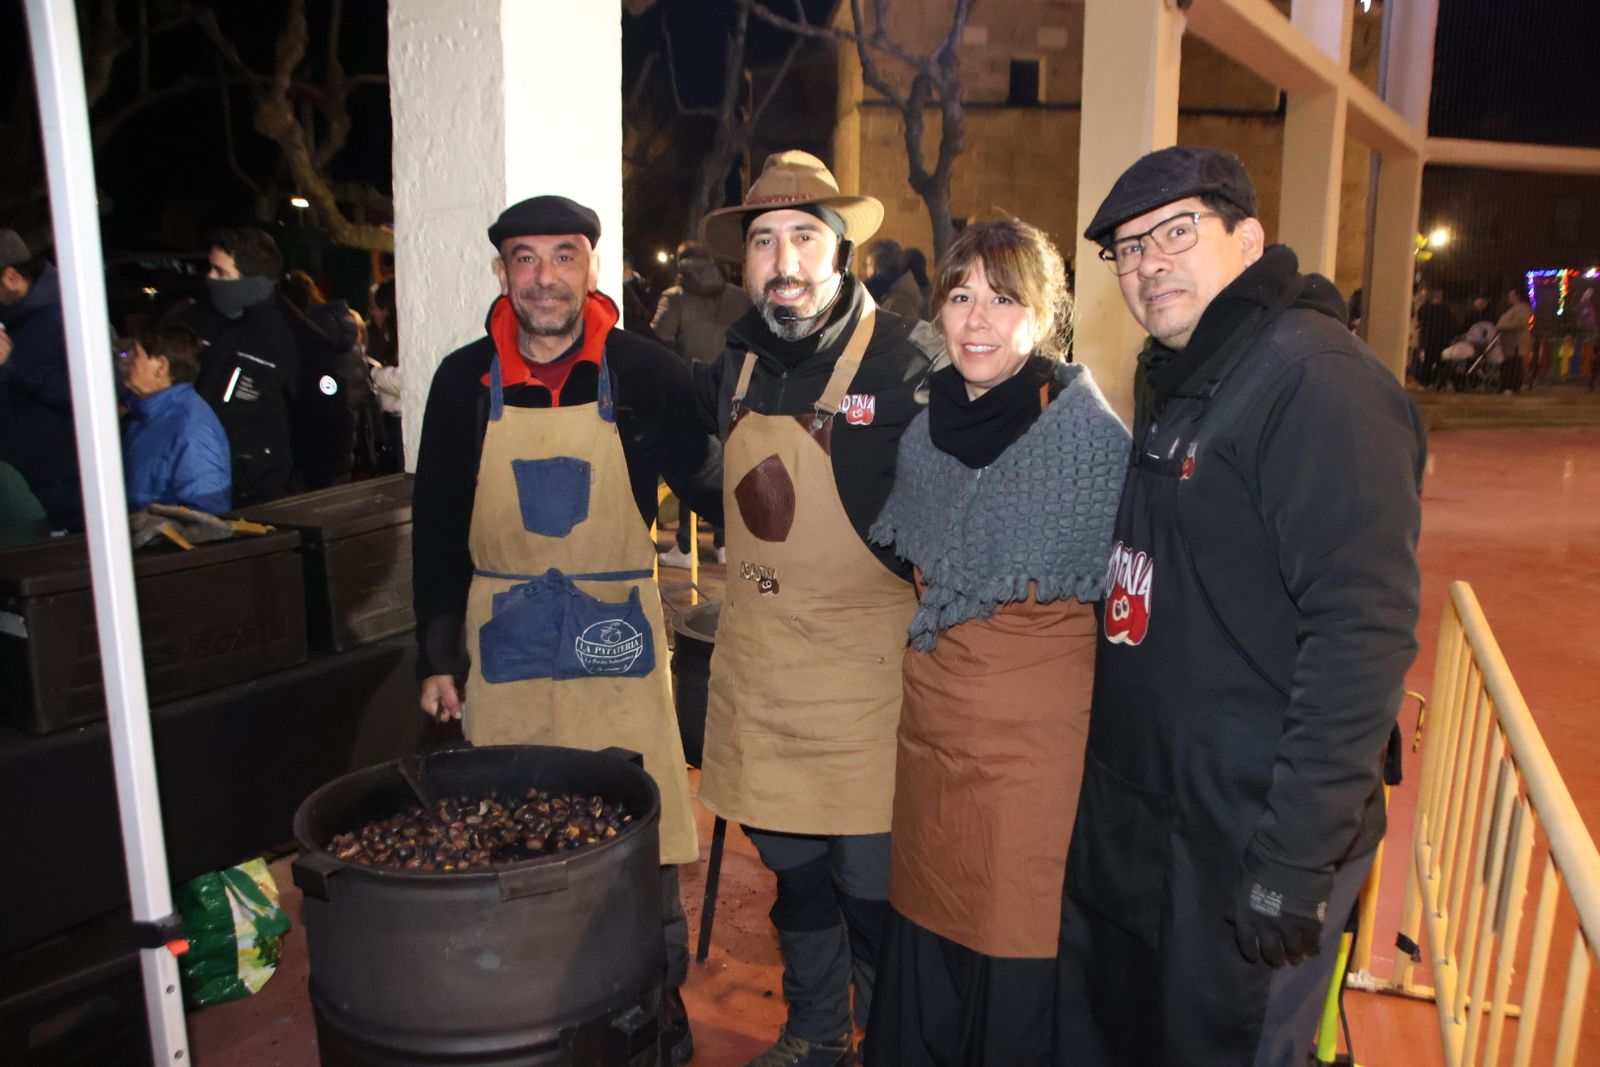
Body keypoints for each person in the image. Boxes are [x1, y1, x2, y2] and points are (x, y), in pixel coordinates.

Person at [1056, 146, 1425, 1067]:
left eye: (1176, 232)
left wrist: (1295, 859)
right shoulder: (1184, 373)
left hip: (1249, 832)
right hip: (1154, 821)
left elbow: (1361, 635)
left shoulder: (1317, 382)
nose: (1149, 263)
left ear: (1250, 238)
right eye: (1128, 249)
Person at [411, 196, 718, 1066]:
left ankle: (652, 1006)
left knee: (639, 826)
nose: (544, 277)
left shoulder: (645, 371)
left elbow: (708, 482)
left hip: (614, 632)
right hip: (503, 632)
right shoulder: (463, 380)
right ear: (502, 271)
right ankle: (519, 1009)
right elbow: (436, 524)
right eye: (525, 258)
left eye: (563, 255)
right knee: (505, 818)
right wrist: (436, 654)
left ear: (591, 266)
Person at [691, 150, 942, 1067]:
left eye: (804, 236)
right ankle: (817, 1033)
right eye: (764, 241)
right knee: (795, 884)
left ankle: (893, 1044)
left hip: (868, 689)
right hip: (764, 680)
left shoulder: (911, 359)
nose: (783, 260)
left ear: (843, 251)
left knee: (875, 895)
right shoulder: (735, 362)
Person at [863, 219, 1127, 1067]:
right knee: (927, 935)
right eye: (961, 296)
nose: (977, 320)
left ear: (1044, 316)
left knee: (1013, 947)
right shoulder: (923, 433)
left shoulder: (1091, 445)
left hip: (1032, 766)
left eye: (1004, 300)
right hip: (931, 741)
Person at [651, 239, 750, 567]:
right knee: (730, 467)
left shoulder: (674, 297)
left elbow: (660, 341)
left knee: (691, 465)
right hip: (735, 388)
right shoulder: (739, 296)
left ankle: (686, 545)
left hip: (690, 390)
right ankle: (725, 543)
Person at [185, 227, 299, 506]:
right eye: (210, 269)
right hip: (196, 479)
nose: (210, 278)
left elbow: (314, 421)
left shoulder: (288, 337)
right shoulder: (196, 321)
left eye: (221, 272)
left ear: (251, 279)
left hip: (258, 493)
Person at [0, 228, 80, 531]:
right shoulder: (13, 315)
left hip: (59, 490)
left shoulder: (69, 315)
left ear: (11, 277)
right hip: (21, 483)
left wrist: (12, 366)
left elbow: (88, 395)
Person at [121, 309, 232, 515]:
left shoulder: (192, 430)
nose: (125, 360)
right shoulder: (144, 415)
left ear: (161, 367)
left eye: (134, 354)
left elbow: (206, 518)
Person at [865, 237, 926, 320]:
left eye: (868, 265)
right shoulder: (903, 289)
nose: (867, 270)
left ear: (876, 269)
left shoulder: (897, 304)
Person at [1416, 286, 1456, 388]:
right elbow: (1452, 325)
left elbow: (1420, 320)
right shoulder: (1447, 311)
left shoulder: (1425, 308)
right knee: (1440, 361)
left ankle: (1425, 382)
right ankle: (1439, 382)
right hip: (1441, 340)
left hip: (1427, 340)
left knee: (1426, 362)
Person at [1496, 287, 1533, 395]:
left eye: (1511, 296)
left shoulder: (1523, 309)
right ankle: (1506, 385)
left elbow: (1519, 323)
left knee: (1514, 365)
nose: (1509, 298)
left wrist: (1502, 326)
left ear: (1517, 296)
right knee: (1509, 364)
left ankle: (1512, 386)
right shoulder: (1514, 309)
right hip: (1509, 343)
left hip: (1516, 342)